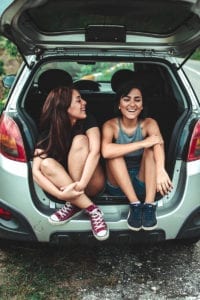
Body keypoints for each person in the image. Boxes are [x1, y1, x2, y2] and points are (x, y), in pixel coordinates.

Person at [32, 86, 109, 241]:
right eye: (79, 100)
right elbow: (36, 172)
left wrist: (79, 186)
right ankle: (92, 210)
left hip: (92, 181)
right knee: (45, 164)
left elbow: (95, 152)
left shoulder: (88, 120)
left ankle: (74, 203)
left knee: (80, 140)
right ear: (64, 105)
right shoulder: (48, 132)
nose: (85, 102)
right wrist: (61, 194)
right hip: (67, 189)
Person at [101, 82, 173, 231]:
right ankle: (134, 204)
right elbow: (106, 152)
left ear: (142, 105)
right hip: (118, 185)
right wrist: (143, 143)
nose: (132, 104)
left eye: (137, 100)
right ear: (119, 104)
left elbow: (158, 144)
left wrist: (160, 170)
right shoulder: (110, 125)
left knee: (151, 150)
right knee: (114, 154)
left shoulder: (149, 123)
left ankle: (148, 206)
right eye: (126, 99)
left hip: (144, 183)